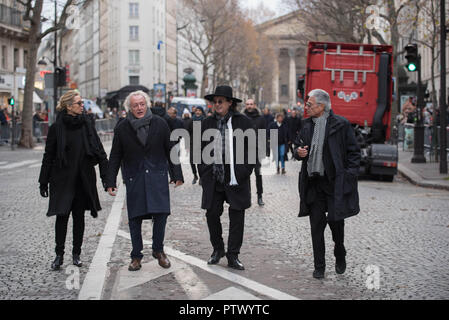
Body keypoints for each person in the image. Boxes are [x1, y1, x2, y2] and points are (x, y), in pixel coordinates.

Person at [106, 91, 184, 271]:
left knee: (161, 214)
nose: (139, 108)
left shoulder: (160, 123)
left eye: (142, 104)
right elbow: (115, 156)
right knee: (135, 218)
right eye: (135, 105)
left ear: (146, 105)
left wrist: (177, 175)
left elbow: (170, 149)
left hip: (157, 175)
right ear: (129, 108)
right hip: (135, 177)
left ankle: (158, 250)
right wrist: (110, 181)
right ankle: (136, 256)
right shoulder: (122, 127)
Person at [38, 90, 109, 271]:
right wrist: (43, 181)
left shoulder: (87, 125)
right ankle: (59, 255)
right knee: (62, 217)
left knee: (79, 217)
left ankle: (76, 254)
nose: (82, 106)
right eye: (79, 103)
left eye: (82, 102)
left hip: (82, 179)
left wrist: (107, 179)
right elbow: (49, 155)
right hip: (62, 179)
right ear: (69, 106)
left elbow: (100, 151)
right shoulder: (57, 128)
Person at [294, 89, 360, 279]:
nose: (306, 107)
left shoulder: (341, 125)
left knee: (336, 224)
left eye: (309, 104)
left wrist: (348, 175)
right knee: (316, 226)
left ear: (321, 106)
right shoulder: (306, 125)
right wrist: (298, 152)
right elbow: (297, 146)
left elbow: (354, 153)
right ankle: (319, 266)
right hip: (313, 184)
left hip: (334, 184)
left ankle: (340, 251)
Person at [199, 85, 254, 270]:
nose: (217, 104)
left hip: (236, 178)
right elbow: (199, 151)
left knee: (237, 217)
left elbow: (252, 150)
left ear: (230, 103)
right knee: (212, 214)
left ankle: (233, 255)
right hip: (214, 178)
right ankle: (218, 249)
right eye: (214, 102)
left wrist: (244, 171)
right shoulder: (206, 123)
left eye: (220, 101)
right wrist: (203, 172)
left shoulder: (243, 122)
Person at [244, 99, 267, 206]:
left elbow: (264, 135)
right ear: (245, 105)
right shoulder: (241, 118)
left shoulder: (260, 119)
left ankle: (260, 196)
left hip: (257, 150)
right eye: (247, 104)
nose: (249, 106)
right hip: (244, 151)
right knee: (245, 175)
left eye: (251, 104)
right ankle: (247, 196)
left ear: (255, 105)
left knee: (258, 173)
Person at [188, 107, 205, 184]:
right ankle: (195, 175)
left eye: (199, 110)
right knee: (191, 161)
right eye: (196, 110)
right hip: (193, 143)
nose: (198, 112)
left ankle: (201, 177)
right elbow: (188, 131)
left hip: (202, 143)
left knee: (200, 162)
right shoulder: (191, 120)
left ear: (202, 112)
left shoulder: (204, 120)